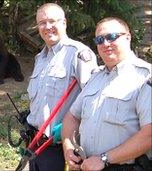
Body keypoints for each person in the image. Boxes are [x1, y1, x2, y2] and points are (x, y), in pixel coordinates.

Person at [62, 17, 152, 171]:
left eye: (111, 37)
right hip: (86, 166)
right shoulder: (95, 77)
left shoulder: (145, 77)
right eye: (99, 39)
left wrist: (104, 159)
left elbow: (149, 134)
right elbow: (71, 117)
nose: (105, 43)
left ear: (127, 38)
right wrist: (68, 147)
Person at [26, 3, 98, 171]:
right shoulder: (40, 58)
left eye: (52, 21)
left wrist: (68, 131)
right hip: (35, 143)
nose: (47, 27)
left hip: (60, 148)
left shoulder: (78, 54)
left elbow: (91, 102)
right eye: (42, 23)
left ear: (64, 23)